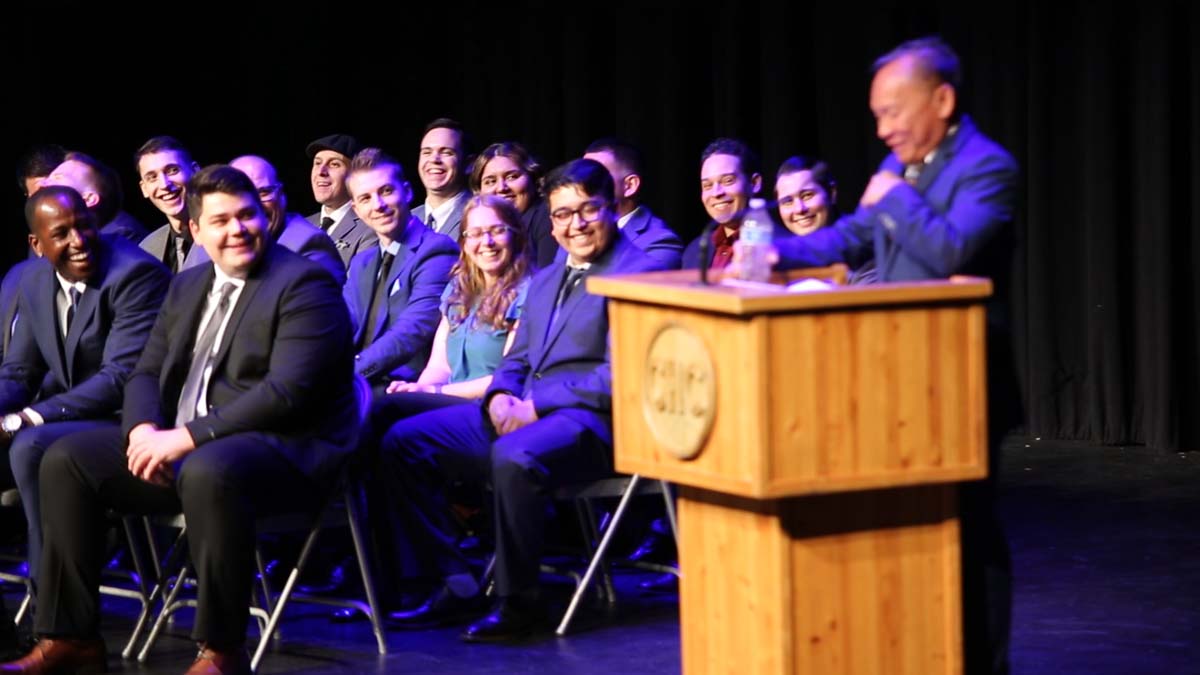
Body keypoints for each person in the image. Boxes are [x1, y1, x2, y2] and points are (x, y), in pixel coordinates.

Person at [0, 166, 356, 675]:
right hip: (193, 449)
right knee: (65, 458)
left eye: (247, 215)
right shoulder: (188, 286)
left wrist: (185, 437)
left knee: (211, 468)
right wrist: (143, 430)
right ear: (196, 231)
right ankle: (69, 637)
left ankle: (221, 651)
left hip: (287, 451)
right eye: (221, 221)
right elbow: (145, 373)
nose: (238, 229)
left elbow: (288, 393)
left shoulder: (303, 284)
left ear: (264, 216)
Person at [758, 37, 1019, 674]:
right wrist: (774, 254)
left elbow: (954, 251)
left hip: (963, 379)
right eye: (876, 115)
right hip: (899, 380)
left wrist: (893, 196)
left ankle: (983, 664)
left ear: (943, 99)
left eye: (893, 112)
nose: (883, 128)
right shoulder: (907, 168)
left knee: (969, 534)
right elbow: (855, 235)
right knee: (910, 532)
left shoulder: (986, 167)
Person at [377, 158, 665, 643]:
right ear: (550, 221)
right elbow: (519, 357)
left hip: (595, 420)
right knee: (402, 442)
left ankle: (519, 601)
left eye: (587, 210)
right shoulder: (552, 276)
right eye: (563, 214)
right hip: (525, 407)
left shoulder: (643, 272)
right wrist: (501, 395)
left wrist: (535, 404)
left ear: (611, 207)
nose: (575, 225)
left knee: (514, 456)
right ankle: (454, 580)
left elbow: (625, 373)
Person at [365, 195, 531, 623]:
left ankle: (440, 578)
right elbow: (439, 363)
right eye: (475, 233)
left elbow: (506, 378)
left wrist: (436, 394)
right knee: (375, 420)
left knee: (390, 427)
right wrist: (418, 386)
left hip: (493, 410)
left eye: (496, 231)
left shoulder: (530, 290)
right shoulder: (461, 289)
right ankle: (387, 576)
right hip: (451, 405)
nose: (486, 242)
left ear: (515, 234)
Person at [0, 186, 168, 592]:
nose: (78, 241)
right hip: (73, 417)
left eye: (85, 226)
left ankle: (52, 604)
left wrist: (22, 418)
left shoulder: (134, 274)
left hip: (127, 419)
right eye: (62, 234)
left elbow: (119, 378)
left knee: (32, 445)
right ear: (36, 244)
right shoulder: (34, 279)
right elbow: (20, 370)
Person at [343, 148, 458, 391]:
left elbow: (413, 330)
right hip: (357, 383)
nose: (379, 205)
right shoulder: (361, 262)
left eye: (386, 191)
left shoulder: (436, 250)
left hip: (403, 386)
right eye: (366, 198)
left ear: (406, 191)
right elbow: (339, 324)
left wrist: (348, 374)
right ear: (356, 209)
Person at [229, 155, 346, 285]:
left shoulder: (308, 245)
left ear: (281, 195)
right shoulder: (213, 245)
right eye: (240, 195)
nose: (253, 205)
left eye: (264, 193)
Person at [773, 155, 876, 283]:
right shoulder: (781, 257)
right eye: (788, 202)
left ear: (832, 193)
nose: (799, 209)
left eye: (807, 195)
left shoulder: (860, 248)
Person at [583, 138, 682, 268]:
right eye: (582, 177)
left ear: (629, 185)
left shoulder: (659, 241)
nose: (583, 186)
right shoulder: (575, 231)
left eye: (595, 177)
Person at [681, 138, 767, 269]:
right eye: (707, 185)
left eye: (728, 181)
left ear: (754, 183)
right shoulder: (695, 250)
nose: (716, 193)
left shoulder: (777, 246)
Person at [470, 142, 557, 268]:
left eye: (512, 177)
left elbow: (547, 279)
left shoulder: (545, 216)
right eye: (490, 181)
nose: (501, 188)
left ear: (533, 178)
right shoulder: (476, 226)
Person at [42, 151, 150, 243]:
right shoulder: (44, 233)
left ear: (89, 199)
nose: (43, 183)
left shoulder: (119, 236)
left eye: (57, 177)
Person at [306, 134, 377, 267]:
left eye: (334, 164)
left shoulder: (370, 228)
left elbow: (359, 285)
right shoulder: (301, 225)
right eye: (317, 163)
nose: (321, 171)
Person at [135, 136, 204, 273]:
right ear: (144, 189)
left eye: (172, 170)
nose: (164, 184)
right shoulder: (146, 249)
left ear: (196, 171)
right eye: (152, 177)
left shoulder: (222, 234)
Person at [412, 118, 473, 241]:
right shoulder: (407, 220)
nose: (434, 159)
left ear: (469, 164)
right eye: (427, 152)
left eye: (446, 152)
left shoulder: (479, 215)